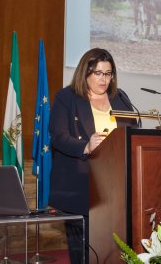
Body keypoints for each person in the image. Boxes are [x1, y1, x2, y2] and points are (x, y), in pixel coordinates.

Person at [49, 48, 134, 264]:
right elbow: (58, 136)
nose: (104, 79)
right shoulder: (67, 98)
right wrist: (86, 146)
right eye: (98, 73)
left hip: (116, 188)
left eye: (108, 73)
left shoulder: (121, 99)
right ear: (85, 72)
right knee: (84, 253)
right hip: (81, 186)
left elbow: (132, 133)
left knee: (115, 251)